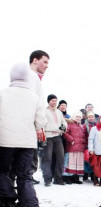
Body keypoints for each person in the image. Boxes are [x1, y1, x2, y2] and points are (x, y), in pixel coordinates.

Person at [0, 63, 47, 207]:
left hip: (5, 141)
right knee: (25, 176)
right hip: (27, 143)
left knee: (2, 172)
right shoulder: (34, 96)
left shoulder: (2, 93)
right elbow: (41, 121)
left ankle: (9, 202)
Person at [28, 50, 50, 185]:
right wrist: (38, 126)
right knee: (27, 162)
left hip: (32, 125)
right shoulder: (31, 76)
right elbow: (32, 103)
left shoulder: (34, 77)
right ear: (35, 60)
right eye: (45, 62)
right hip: (29, 126)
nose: (47, 66)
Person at [42, 94, 68, 186]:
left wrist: (64, 126)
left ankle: (58, 178)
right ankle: (47, 179)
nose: (54, 102)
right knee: (48, 158)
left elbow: (63, 122)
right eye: (52, 100)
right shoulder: (44, 111)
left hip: (57, 136)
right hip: (48, 136)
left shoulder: (59, 112)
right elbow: (42, 124)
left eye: (55, 100)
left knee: (60, 157)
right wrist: (43, 137)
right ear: (48, 101)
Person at [62, 111, 87, 184]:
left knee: (77, 163)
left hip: (80, 148)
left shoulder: (81, 126)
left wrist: (84, 145)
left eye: (80, 117)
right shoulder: (69, 124)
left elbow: (84, 136)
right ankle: (67, 178)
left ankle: (75, 178)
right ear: (73, 117)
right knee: (70, 162)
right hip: (72, 147)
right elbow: (65, 133)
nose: (78, 118)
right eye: (77, 116)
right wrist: (71, 139)